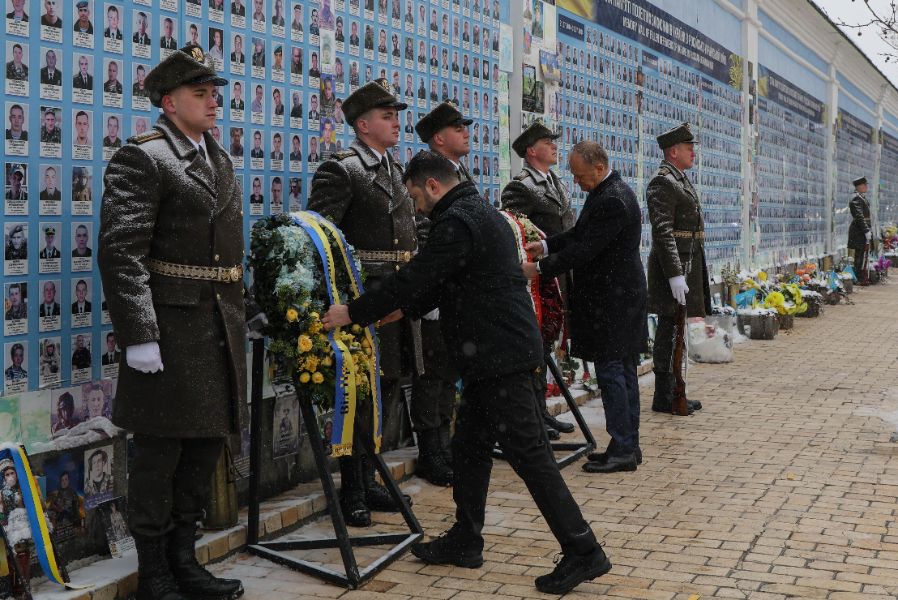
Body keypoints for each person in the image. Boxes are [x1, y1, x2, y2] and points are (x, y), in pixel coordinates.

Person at [322, 151, 610, 595]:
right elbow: (447, 282)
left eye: (416, 195)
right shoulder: (475, 213)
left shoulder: (457, 222)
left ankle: (584, 551)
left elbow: (420, 275)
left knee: (530, 456)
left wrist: (353, 312)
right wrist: (400, 311)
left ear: (432, 186)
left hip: (501, 358)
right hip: (491, 357)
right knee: (470, 447)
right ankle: (465, 538)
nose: (415, 205)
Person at [98, 43, 253, 600]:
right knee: (160, 457)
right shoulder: (143, 156)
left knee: (202, 452)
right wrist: (139, 335)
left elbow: (225, 252)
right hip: (168, 331)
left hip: (218, 330)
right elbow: (121, 253)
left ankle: (184, 563)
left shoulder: (217, 156)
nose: (213, 103)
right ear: (168, 102)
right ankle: (155, 574)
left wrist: (249, 306)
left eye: (215, 94)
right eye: (200, 94)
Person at [308, 78, 418, 527]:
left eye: (397, 116)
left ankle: (370, 479)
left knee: (387, 388)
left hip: (397, 294)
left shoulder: (394, 167)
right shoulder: (343, 168)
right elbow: (321, 236)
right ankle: (352, 488)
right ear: (363, 124)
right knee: (357, 394)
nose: (396, 124)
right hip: (362, 297)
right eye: (388, 116)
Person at [523, 142, 647, 473]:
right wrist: (547, 244)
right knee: (622, 371)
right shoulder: (607, 191)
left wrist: (539, 269)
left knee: (612, 373)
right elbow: (579, 232)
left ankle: (622, 447)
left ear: (599, 166)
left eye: (580, 176)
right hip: (618, 298)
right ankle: (627, 445)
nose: (577, 182)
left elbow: (586, 249)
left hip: (614, 301)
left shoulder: (613, 200)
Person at [501, 122, 577, 436]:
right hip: (538, 280)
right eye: (548, 142)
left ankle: (541, 410)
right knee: (534, 344)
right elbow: (516, 233)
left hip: (558, 274)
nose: (555, 146)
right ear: (532, 150)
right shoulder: (522, 186)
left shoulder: (554, 182)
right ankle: (532, 413)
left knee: (546, 343)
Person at [646, 123, 709, 415]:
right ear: (673, 151)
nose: (692, 152)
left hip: (686, 265)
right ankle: (665, 393)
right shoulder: (663, 182)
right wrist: (674, 274)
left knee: (675, 330)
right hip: (673, 269)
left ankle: (673, 389)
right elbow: (663, 232)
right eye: (688, 147)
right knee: (669, 331)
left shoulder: (679, 179)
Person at [848, 176, 872, 280]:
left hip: (862, 229)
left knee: (863, 254)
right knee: (859, 255)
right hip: (859, 231)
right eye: (865, 185)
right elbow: (859, 216)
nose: (866, 186)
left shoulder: (861, 197)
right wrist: (866, 230)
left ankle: (861, 276)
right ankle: (858, 277)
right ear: (859, 186)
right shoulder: (856, 198)